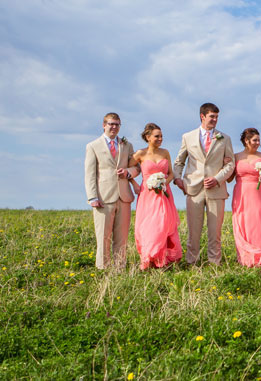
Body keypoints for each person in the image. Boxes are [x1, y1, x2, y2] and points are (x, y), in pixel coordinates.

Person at [173, 103, 235, 265]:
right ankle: (191, 261)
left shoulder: (225, 138)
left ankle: (214, 262)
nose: (215, 120)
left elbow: (230, 164)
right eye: (212, 116)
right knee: (194, 230)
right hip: (194, 188)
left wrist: (217, 178)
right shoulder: (188, 136)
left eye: (216, 117)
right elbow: (179, 161)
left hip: (216, 189)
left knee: (215, 230)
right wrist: (178, 178)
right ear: (202, 116)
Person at [84, 112, 138, 270]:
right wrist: (92, 196)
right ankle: (103, 269)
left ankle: (120, 269)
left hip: (124, 196)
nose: (114, 127)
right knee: (103, 237)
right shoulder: (93, 146)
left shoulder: (127, 145)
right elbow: (89, 174)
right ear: (104, 125)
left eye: (117, 124)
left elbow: (137, 167)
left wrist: (128, 172)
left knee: (121, 237)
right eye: (111, 124)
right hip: (103, 197)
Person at [130, 123, 182, 270]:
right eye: (157, 136)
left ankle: (163, 259)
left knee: (163, 225)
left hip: (164, 195)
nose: (160, 139)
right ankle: (149, 257)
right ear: (148, 137)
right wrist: (134, 183)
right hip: (147, 195)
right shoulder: (140, 154)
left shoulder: (165, 153)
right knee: (149, 226)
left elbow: (171, 173)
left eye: (161, 136)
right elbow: (129, 170)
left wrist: (164, 182)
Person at [228, 128, 261, 266]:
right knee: (244, 222)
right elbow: (229, 179)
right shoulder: (236, 156)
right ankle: (247, 255)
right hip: (242, 193)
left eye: (259, 140)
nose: (258, 143)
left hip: (260, 194)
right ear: (246, 141)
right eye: (254, 140)